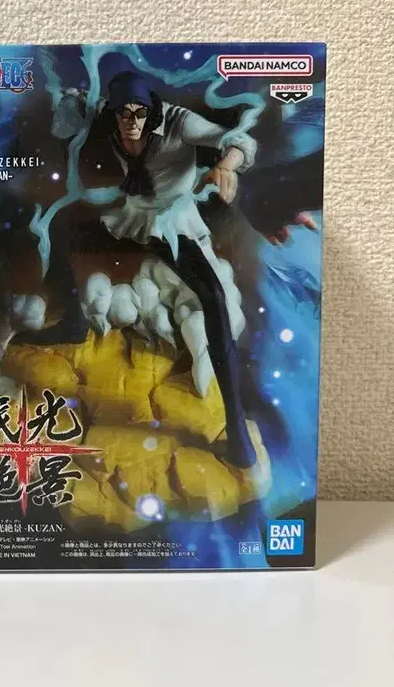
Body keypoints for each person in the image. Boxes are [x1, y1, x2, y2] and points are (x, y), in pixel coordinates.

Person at [20, 72, 267, 469]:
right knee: (63, 229)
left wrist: (227, 165)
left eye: (139, 113)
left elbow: (239, 140)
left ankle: (236, 429)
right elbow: (69, 115)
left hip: (174, 222)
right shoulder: (108, 112)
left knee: (214, 298)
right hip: (133, 215)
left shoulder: (179, 122)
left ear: (152, 112)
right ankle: (74, 324)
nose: (131, 122)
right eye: (123, 114)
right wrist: (70, 100)